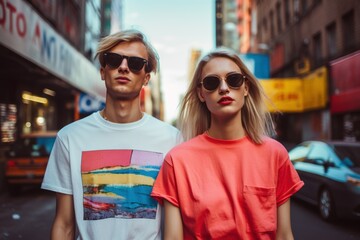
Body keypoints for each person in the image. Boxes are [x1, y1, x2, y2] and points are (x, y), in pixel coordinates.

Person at [41, 29, 181, 240]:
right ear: (103, 71)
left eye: (135, 64)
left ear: (146, 78)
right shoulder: (70, 137)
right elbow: (64, 224)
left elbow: (174, 226)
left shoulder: (171, 139)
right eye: (114, 60)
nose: (123, 67)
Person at [151, 48, 304, 240]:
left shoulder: (275, 154)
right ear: (200, 93)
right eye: (211, 82)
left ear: (246, 87)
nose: (223, 88)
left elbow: (284, 235)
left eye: (233, 80)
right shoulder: (177, 161)